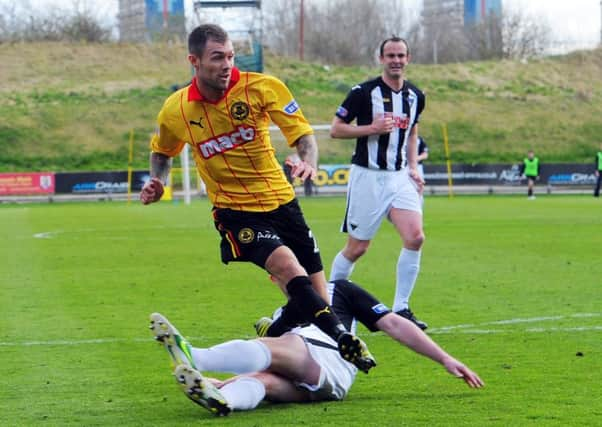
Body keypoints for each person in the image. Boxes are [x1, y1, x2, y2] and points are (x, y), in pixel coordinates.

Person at [139, 23, 374, 372]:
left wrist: (308, 162)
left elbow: (303, 135)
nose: (226, 65)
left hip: (282, 202)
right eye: (217, 57)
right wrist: (158, 181)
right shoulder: (176, 110)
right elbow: (162, 150)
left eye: (231, 56)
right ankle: (344, 339)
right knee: (286, 266)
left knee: (318, 298)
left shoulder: (263, 88)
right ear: (194, 61)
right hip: (236, 212)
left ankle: (274, 330)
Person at [149, 279, 484, 416]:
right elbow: (269, 364)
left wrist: (444, 358)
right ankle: (225, 401)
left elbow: (394, 323)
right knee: (264, 383)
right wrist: (222, 383)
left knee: (281, 344)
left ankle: (196, 355)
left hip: (327, 355)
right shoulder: (282, 315)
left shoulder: (340, 290)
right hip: (326, 386)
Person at [328, 36, 428, 330]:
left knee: (415, 237)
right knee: (357, 248)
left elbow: (412, 133)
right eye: (390, 55)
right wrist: (371, 128)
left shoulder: (415, 96)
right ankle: (332, 307)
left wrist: (412, 167)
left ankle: (401, 308)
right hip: (367, 178)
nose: (396, 60)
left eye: (400, 55)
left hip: (399, 178)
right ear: (381, 58)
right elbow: (336, 130)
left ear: (408, 59)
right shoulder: (362, 92)